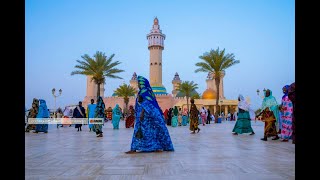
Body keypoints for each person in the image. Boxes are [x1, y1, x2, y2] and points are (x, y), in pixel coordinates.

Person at [126, 76, 174, 153]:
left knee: (148, 131)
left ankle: (152, 147)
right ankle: (135, 148)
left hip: (146, 116)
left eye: (139, 83)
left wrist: (142, 113)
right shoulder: (144, 91)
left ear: (142, 83)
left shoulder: (145, 92)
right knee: (144, 131)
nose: (138, 84)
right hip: (142, 117)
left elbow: (147, 103)